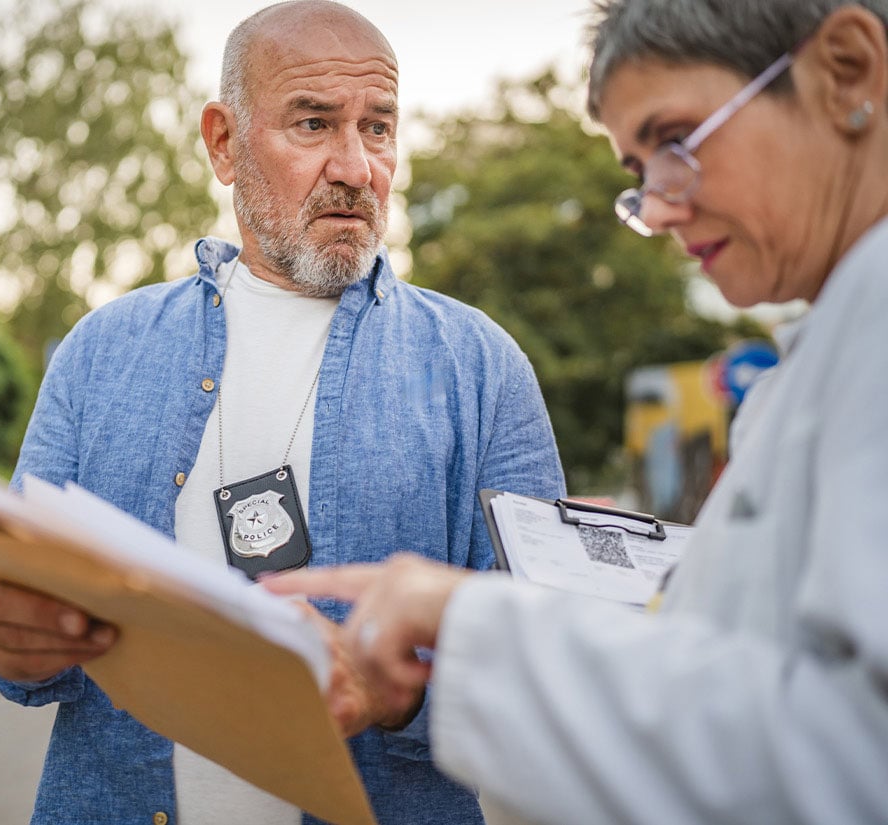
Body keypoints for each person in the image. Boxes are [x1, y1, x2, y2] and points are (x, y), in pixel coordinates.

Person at [262, 1, 888, 822]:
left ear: (846, 69)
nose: (657, 209)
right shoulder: (828, 343)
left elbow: (854, 756)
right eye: (640, 173)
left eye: (676, 142)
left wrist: (475, 623)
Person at [0, 2, 565, 823]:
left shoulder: (483, 368)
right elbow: (10, 626)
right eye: (313, 124)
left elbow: (548, 678)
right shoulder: (100, 353)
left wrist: (398, 693)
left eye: (377, 128)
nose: (355, 165)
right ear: (224, 143)